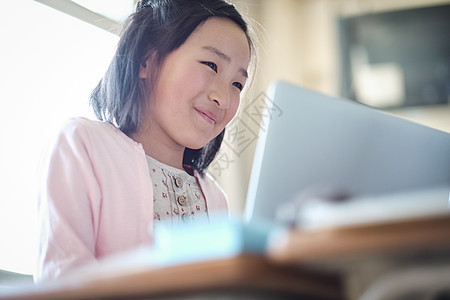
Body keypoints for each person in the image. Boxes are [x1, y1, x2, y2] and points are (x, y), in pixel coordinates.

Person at [35, 0, 254, 282]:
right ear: (145, 61)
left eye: (237, 84)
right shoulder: (81, 145)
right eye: (211, 65)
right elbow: (62, 282)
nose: (223, 99)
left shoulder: (216, 198)